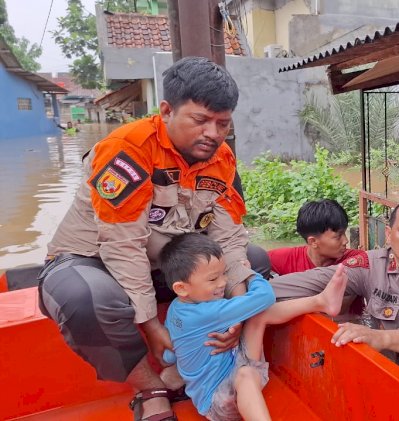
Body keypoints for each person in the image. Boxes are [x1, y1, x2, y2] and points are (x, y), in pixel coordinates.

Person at [37, 57, 268, 420]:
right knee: (85, 300)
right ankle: (150, 387)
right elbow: (122, 245)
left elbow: (229, 237)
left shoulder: (222, 160)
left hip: (163, 262)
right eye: (200, 120)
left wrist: (235, 312)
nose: (213, 133)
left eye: (222, 123)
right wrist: (152, 325)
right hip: (92, 257)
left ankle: (206, 364)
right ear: (166, 111)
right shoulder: (128, 150)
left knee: (255, 262)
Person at [271, 197, 399, 373]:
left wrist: (382, 338)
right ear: (389, 234)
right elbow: (305, 283)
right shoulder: (369, 265)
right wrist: (246, 290)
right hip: (390, 368)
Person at [158, 233, 347, 421]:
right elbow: (265, 297)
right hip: (219, 403)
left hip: (207, 392)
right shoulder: (211, 312)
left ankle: (322, 301)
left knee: (258, 314)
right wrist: (250, 275)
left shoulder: (175, 309)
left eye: (224, 273)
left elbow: (170, 353)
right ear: (182, 288)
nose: (223, 282)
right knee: (247, 373)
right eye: (213, 279)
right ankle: (320, 301)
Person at [267, 199, 367, 275]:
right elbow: (253, 260)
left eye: (344, 233)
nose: (346, 241)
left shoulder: (358, 259)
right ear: (313, 242)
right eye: (338, 236)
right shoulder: (286, 259)